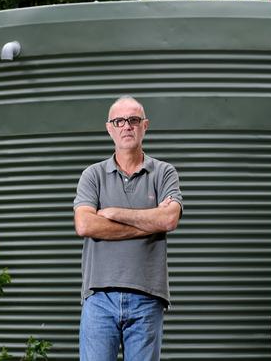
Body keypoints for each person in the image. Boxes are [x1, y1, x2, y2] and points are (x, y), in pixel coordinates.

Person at [73, 96, 183, 361]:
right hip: (99, 297)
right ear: (109, 128)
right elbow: (85, 224)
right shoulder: (93, 175)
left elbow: (168, 220)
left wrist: (113, 213)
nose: (126, 126)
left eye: (133, 120)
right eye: (119, 121)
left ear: (145, 126)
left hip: (147, 297)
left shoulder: (164, 173)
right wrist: (149, 223)